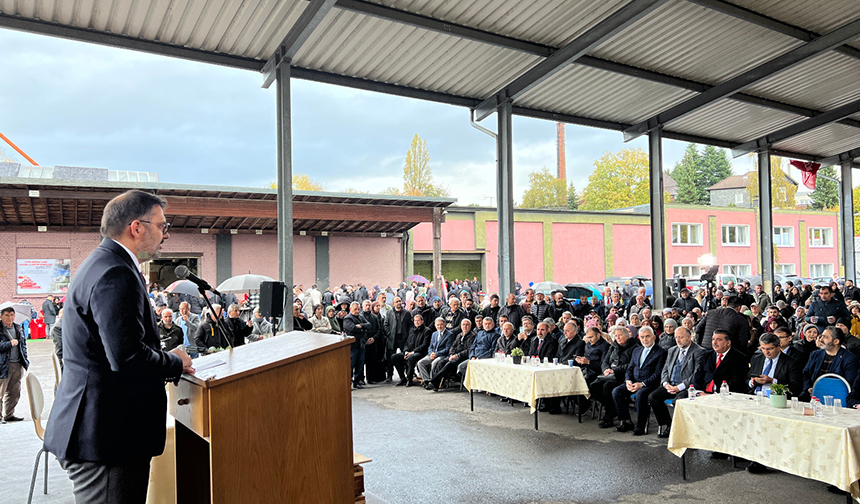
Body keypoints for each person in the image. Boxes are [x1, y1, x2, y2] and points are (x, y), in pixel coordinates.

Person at [43, 190, 193, 503]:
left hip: (103, 431)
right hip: (105, 437)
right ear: (136, 227)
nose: (165, 235)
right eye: (162, 226)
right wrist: (175, 362)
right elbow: (127, 357)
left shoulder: (106, 264)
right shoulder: (115, 273)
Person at [648, 327, 704, 438]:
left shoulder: (699, 352)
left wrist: (679, 387)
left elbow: (696, 375)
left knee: (678, 401)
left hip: (687, 387)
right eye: (676, 337)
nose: (678, 340)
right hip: (670, 384)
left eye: (681, 337)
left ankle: (684, 431)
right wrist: (665, 384)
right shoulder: (672, 350)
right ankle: (670, 425)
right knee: (653, 397)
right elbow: (665, 370)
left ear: (689, 337)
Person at [611, 326, 667, 435]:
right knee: (616, 392)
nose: (645, 339)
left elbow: (658, 374)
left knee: (639, 395)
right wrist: (628, 381)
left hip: (650, 384)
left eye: (647, 336)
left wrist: (642, 384)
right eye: (642, 337)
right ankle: (626, 421)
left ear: (654, 337)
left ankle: (640, 426)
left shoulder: (661, 352)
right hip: (634, 382)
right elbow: (630, 368)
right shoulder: (637, 350)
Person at [800, 326, 859, 402]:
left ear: (836, 341)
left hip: (836, 398)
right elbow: (806, 373)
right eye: (821, 336)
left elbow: (848, 384)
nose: (821, 339)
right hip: (812, 395)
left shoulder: (850, 359)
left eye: (825, 337)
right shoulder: (816, 354)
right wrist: (808, 388)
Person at [748, 332, 802, 397]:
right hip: (755, 396)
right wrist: (752, 382)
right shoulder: (757, 359)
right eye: (763, 348)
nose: (766, 352)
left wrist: (772, 381)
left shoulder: (791, 363)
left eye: (770, 349)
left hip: (777, 398)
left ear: (779, 346)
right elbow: (747, 378)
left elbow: (795, 388)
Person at [428, 318, 476, 391]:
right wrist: (451, 354)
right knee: (440, 362)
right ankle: (436, 385)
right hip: (454, 355)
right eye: (463, 325)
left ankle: (433, 382)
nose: (465, 326)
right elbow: (453, 346)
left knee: (450, 364)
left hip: (463, 356)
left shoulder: (473, 336)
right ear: (461, 326)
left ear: (470, 326)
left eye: (467, 325)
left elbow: (469, 350)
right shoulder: (459, 335)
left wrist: (457, 355)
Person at [1, 306, 29, 423]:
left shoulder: (18, 328)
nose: (10, 318)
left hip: (17, 364)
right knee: (1, 392)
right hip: (3, 364)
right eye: (7, 315)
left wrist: (25, 359)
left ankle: (9, 414)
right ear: (1, 316)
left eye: (12, 315)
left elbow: (23, 345)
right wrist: (9, 344)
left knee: (14, 392)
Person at [697, 330, 748, 395]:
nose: (714, 342)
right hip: (703, 394)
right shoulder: (707, 355)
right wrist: (700, 392)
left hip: (725, 396)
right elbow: (698, 375)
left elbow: (737, 382)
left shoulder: (739, 358)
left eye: (719, 340)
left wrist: (717, 394)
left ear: (728, 343)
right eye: (713, 339)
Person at [392, 314, 431, 387]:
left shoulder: (427, 331)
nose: (416, 322)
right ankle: (402, 378)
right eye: (415, 321)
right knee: (394, 357)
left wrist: (412, 352)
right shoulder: (411, 330)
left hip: (420, 353)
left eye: (418, 321)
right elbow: (407, 342)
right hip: (410, 352)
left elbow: (424, 345)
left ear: (422, 321)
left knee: (411, 357)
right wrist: (406, 351)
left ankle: (410, 379)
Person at [418, 318, 453, 388]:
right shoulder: (434, 334)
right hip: (432, 354)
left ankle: (432, 382)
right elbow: (430, 346)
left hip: (442, 355)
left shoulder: (449, 334)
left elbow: (448, 349)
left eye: (441, 325)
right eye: (438, 325)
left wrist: (437, 354)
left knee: (434, 363)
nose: (439, 326)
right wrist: (431, 353)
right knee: (420, 363)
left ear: (445, 325)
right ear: (435, 325)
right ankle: (427, 380)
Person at [383, 297, 412, 383]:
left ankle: (407, 375)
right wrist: (389, 334)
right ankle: (389, 375)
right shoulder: (389, 313)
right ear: (393, 304)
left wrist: (408, 336)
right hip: (392, 338)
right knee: (390, 358)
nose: (398, 303)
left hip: (403, 338)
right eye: (396, 301)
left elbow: (410, 325)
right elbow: (385, 325)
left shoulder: (406, 313)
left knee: (405, 356)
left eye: (399, 301)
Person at [344, 302, 369, 389]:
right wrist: (363, 329)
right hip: (352, 346)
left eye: (358, 309)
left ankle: (357, 381)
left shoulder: (361, 317)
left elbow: (369, 325)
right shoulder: (347, 318)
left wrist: (361, 326)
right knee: (351, 364)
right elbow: (352, 328)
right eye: (355, 309)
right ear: (350, 309)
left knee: (360, 364)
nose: (357, 311)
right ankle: (348, 382)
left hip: (361, 344)